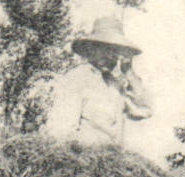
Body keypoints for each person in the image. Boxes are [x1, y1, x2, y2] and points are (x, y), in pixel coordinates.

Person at [45, 16, 152, 146]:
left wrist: (129, 72)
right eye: (104, 48)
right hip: (84, 158)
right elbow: (61, 130)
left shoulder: (115, 85)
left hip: (111, 159)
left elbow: (144, 110)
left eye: (115, 50)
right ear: (91, 49)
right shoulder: (77, 78)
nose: (109, 55)